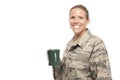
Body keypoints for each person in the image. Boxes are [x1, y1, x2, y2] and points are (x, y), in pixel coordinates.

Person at [52, 4, 112, 80]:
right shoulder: (69, 45)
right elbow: (60, 77)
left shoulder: (96, 44)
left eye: (80, 18)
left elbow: (104, 78)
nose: (76, 21)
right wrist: (56, 63)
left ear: (87, 21)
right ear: (69, 20)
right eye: (72, 17)